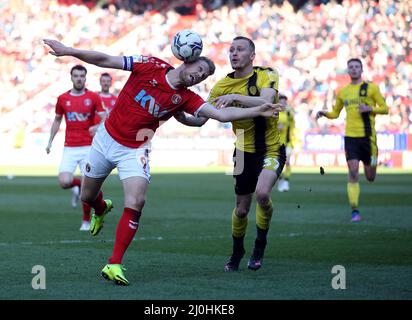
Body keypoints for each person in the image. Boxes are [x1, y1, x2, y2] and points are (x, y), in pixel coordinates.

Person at [43, 38, 282, 286]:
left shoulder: (186, 98)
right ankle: (101, 208)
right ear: (187, 61)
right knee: (87, 196)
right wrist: (68, 51)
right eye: (198, 70)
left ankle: (114, 263)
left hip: (136, 149)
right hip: (105, 139)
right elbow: (105, 60)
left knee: (137, 200)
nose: (197, 77)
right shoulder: (149, 64)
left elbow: (221, 114)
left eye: (202, 77)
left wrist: (258, 110)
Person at [174, 36, 286, 272]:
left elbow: (266, 102)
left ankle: (259, 245)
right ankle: (237, 252)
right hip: (243, 149)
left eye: (240, 49)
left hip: (271, 147)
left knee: (263, 194)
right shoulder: (221, 87)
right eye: (231, 50)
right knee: (242, 209)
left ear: (251, 56)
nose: (234, 53)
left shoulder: (268, 73)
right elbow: (200, 120)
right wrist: (181, 116)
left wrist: (235, 98)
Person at [316, 58, 388, 222]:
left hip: (368, 138)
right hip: (350, 137)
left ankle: (373, 162)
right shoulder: (343, 92)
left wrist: (370, 108)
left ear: (361, 70)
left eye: (357, 67)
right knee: (353, 172)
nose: (354, 69)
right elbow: (335, 113)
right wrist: (324, 113)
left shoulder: (371, 88)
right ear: (348, 71)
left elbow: (385, 108)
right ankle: (355, 210)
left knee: (370, 177)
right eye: (351, 67)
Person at [46, 64, 106, 231]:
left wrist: (98, 127)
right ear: (71, 78)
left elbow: (104, 117)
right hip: (70, 147)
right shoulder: (63, 98)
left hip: (88, 147)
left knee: (87, 190)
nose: (79, 79)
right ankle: (79, 185)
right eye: (76, 76)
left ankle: (86, 221)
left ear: (85, 78)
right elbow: (57, 120)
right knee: (64, 182)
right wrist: (50, 140)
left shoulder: (93, 97)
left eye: (82, 76)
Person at [276, 94, 295, 192]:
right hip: (276, 144)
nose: (283, 104)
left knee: (287, 162)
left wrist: (294, 140)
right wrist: (276, 128)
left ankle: (286, 181)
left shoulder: (289, 114)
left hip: (287, 143)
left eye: (284, 102)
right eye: (281, 102)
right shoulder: (274, 113)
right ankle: (281, 180)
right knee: (278, 165)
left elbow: (293, 127)